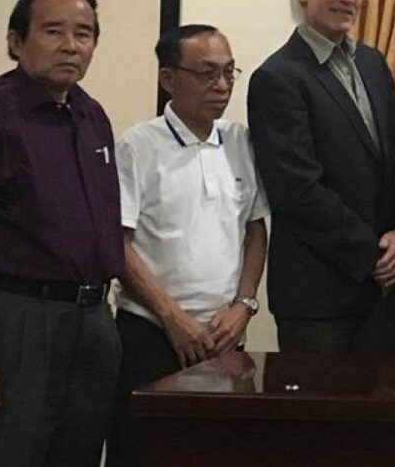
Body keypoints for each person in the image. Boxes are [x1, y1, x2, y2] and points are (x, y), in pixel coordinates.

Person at [106, 25, 268, 467]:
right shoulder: (138, 145)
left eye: (229, 72)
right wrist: (172, 317)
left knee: (215, 451)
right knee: (142, 451)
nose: (222, 85)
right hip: (151, 332)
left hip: (223, 334)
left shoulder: (239, 140)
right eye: (207, 73)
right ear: (168, 79)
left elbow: (255, 229)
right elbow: (117, 243)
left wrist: (244, 306)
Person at [248, 0, 395, 355]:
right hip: (318, 295)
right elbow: (297, 189)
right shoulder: (277, 77)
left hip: (385, 288)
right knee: (321, 400)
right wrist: (371, 253)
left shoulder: (373, 64)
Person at [0, 0, 123, 466]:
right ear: (16, 41)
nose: (71, 46)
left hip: (92, 318)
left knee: (79, 454)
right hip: (17, 319)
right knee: (9, 452)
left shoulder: (91, 115)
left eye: (84, 33)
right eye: (53, 31)